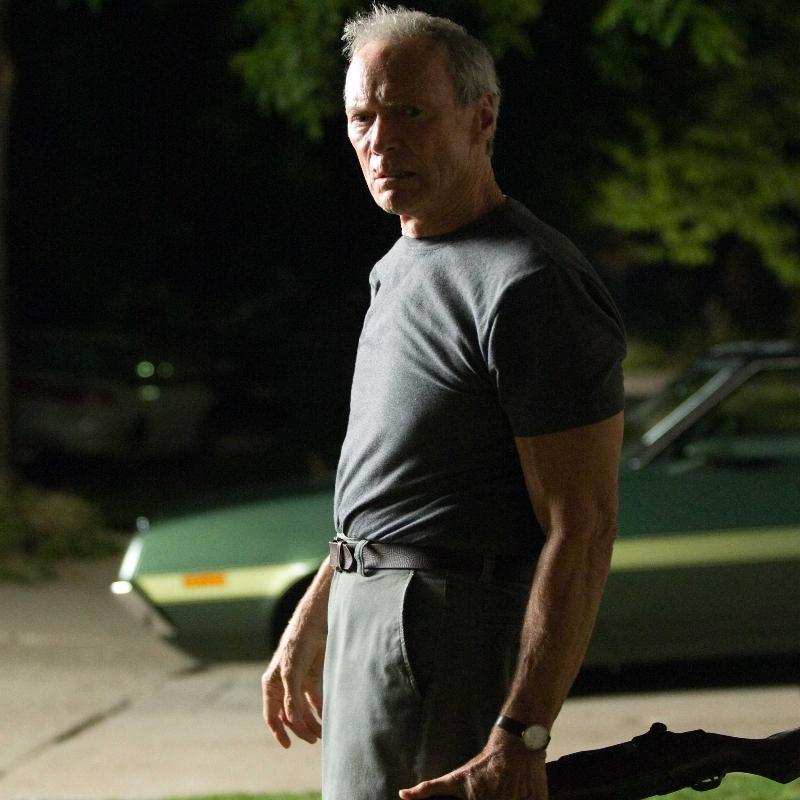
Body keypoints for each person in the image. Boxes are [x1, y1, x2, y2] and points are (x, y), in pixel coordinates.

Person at [262, 5, 626, 799]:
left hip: (445, 632)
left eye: (410, 114)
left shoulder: (532, 283)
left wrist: (523, 733)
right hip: (367, 614)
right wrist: (316, 614)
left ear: (480, 116)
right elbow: (396, 484)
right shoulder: (400, 262)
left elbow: (584, 525)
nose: (381, 142)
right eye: (362, 118)